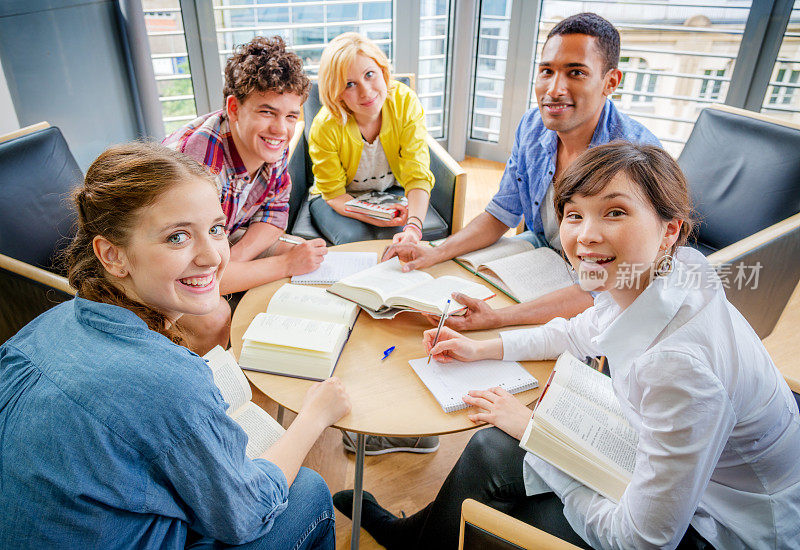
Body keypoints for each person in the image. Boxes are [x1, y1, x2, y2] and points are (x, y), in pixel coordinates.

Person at [333, 142, 800, 549]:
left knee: (507, 511)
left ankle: (426, 538)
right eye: (574, 214)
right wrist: (485, 346)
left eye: (614, 212)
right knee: (488, 448)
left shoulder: (679, 368)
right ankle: (416, 536)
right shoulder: (669, 271)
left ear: (670, 230)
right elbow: (578, 330)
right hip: (667, 457)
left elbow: (643, 540)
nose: (585, 235)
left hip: (720, 526)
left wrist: (538, 436)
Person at [0, 143, 351, 549]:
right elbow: (247, 513)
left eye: (217, 229)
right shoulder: (166, 380)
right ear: (112, 255)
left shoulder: (35, 331)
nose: (213, 257)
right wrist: (314, 416)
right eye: (178, 237)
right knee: (305, 491)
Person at [383, 12, 660, 332]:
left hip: (605, 293)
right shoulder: (532, 127)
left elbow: (613, 286)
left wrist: (497, 319)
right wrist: (432, 252)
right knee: (456, 275)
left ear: (610, 82)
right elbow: (501, 213)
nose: (554, 89)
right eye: (547, 71)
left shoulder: (637, 158)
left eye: (576, 73)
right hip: (545, 256)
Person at [163, 36, 327, 355]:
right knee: (216, 317)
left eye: (291, 115)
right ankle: (212, 387)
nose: (281, 129)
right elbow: (202, 271)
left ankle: (280, 355)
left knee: (312, 259)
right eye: (267, 112)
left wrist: (236, 259)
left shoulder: (269, 143)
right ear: (234, 108)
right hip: (163, 265)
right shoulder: (199, 167)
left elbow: (274, 213)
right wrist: (284, 265)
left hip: (220, 239)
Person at [308, 32, 435, 246]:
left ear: (383, 71)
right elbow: (335, 195)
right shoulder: (325, 126)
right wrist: (376, 214)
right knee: (355, 240)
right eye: (350, 84)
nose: (366, 92)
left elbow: (417, 173)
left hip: (390, 191)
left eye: (369, 74)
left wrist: (413, 227)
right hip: (336, 198)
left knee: (404, 239)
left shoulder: (405, 102)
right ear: (337, 93)